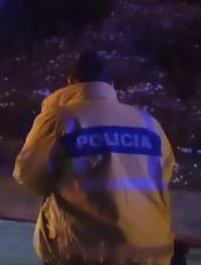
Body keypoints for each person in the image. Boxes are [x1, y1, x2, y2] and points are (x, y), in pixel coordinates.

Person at [13, 50, 176, 265]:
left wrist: (62, 185)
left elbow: (27, 174)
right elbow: (164, 173)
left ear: (71, 82)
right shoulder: (147, 122)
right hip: (151, 250)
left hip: (86, 251)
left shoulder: (60, 118)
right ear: (110, 84)